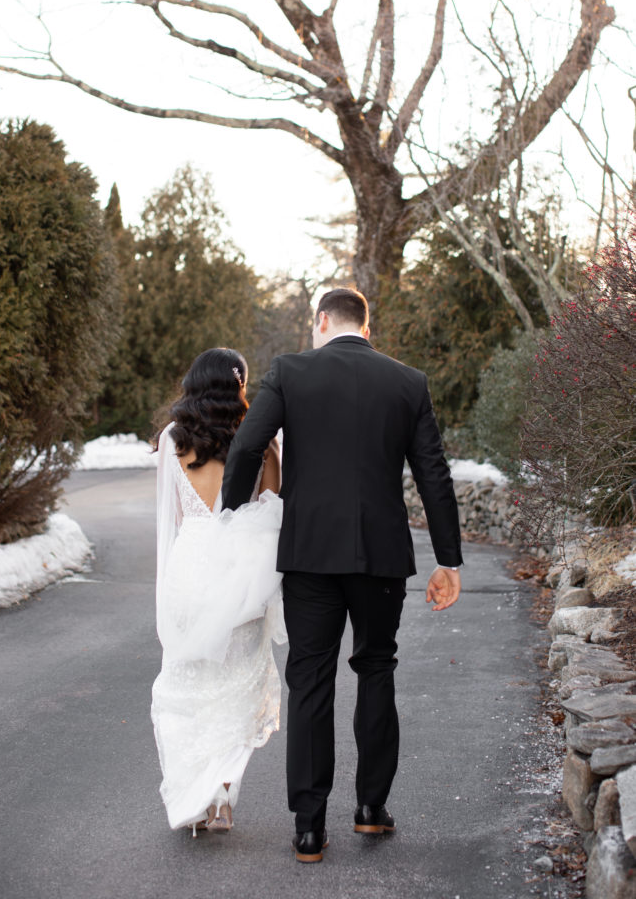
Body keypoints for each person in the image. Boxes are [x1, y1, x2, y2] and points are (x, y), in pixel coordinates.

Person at [221, 288, 463, 863]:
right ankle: (371, 810)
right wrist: (448, 560)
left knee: (310, 680)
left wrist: (228, 521)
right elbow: (433, 473)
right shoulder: (408, 382)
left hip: (309, 554)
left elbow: (248, 447)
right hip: (381, 555)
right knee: (376, 669)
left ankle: (309, 828)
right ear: (366, 328)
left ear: (322, 321)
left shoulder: (290, 372)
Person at [151, 347, 284, 836]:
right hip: (241, 574)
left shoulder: (173, 438)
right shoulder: (261, 438)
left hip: (189, 568)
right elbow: (271, 508)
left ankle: (197, 796)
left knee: (188, 686)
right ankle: (223, 797)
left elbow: (174, 517)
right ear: (239, 386)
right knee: (236, 687)